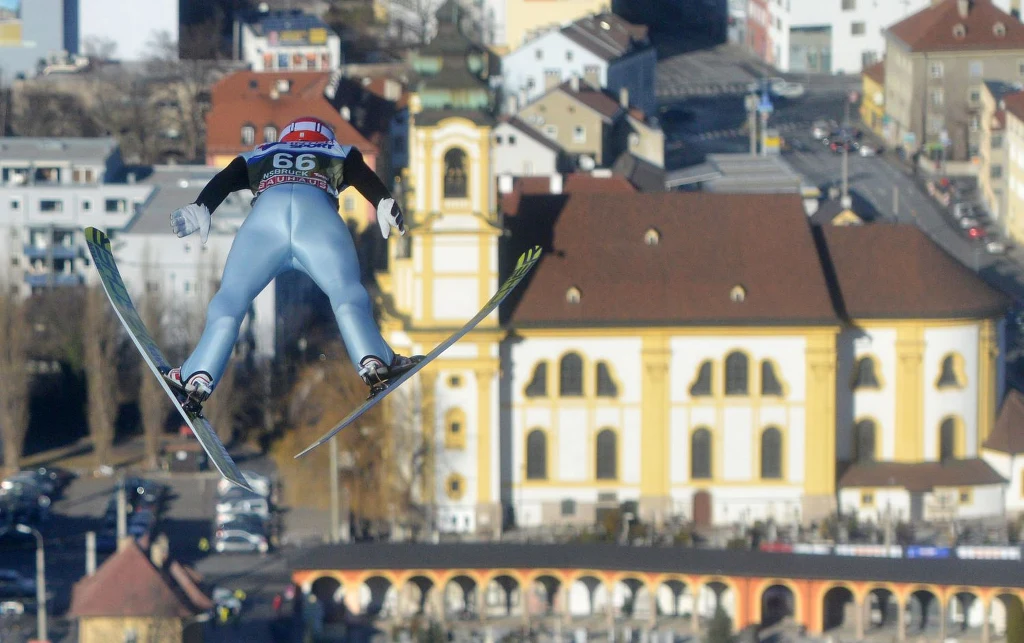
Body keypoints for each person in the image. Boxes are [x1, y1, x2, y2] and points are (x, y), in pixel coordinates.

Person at [166, 116, 422, 402]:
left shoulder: (264, 151)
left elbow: (226, 177)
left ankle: (197, 376)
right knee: (346, 293)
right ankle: (374, 362)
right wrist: (382, 200)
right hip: (317, 219)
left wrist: (202, 205)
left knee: (231, 299)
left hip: (265, 224)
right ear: (326, 138)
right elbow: (359, 172)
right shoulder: (336, 151)